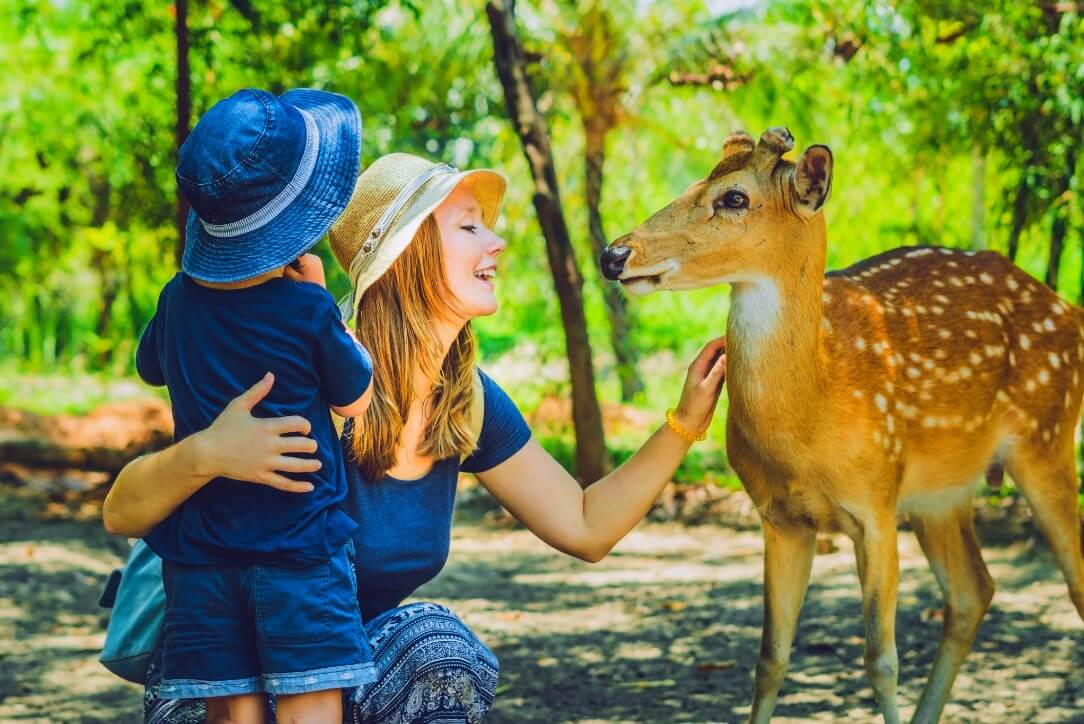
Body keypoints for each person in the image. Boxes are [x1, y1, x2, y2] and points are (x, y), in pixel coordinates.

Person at [103, 152, 728, 724]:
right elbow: (122, 508)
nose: (498, 241)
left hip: (341, 672)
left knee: (436, 647)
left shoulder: (467, 400)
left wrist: (684, 423)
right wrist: (206, 453)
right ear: (406, 257)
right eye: (468, 227)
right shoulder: (310, 371)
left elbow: (587, 525)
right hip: (221, 682)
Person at [132, 88, 374, 723]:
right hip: (300, 555)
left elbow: (150, 367)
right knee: (309, 710)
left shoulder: (175, 300)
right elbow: (356, 399)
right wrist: (326, 309)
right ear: (293, 227)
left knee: (233, 717)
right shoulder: (307, 308)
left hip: (201, 561)